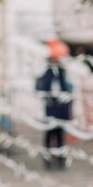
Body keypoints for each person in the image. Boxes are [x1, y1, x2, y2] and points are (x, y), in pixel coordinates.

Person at [35, 38, 73, 169]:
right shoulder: (48, 73)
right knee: (49, 135)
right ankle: (48, 159)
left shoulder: (63, 74)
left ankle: (61, 159)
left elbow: (68, 91)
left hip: (61, 110)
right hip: (51, 109)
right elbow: (42, 87)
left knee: (60, 136)